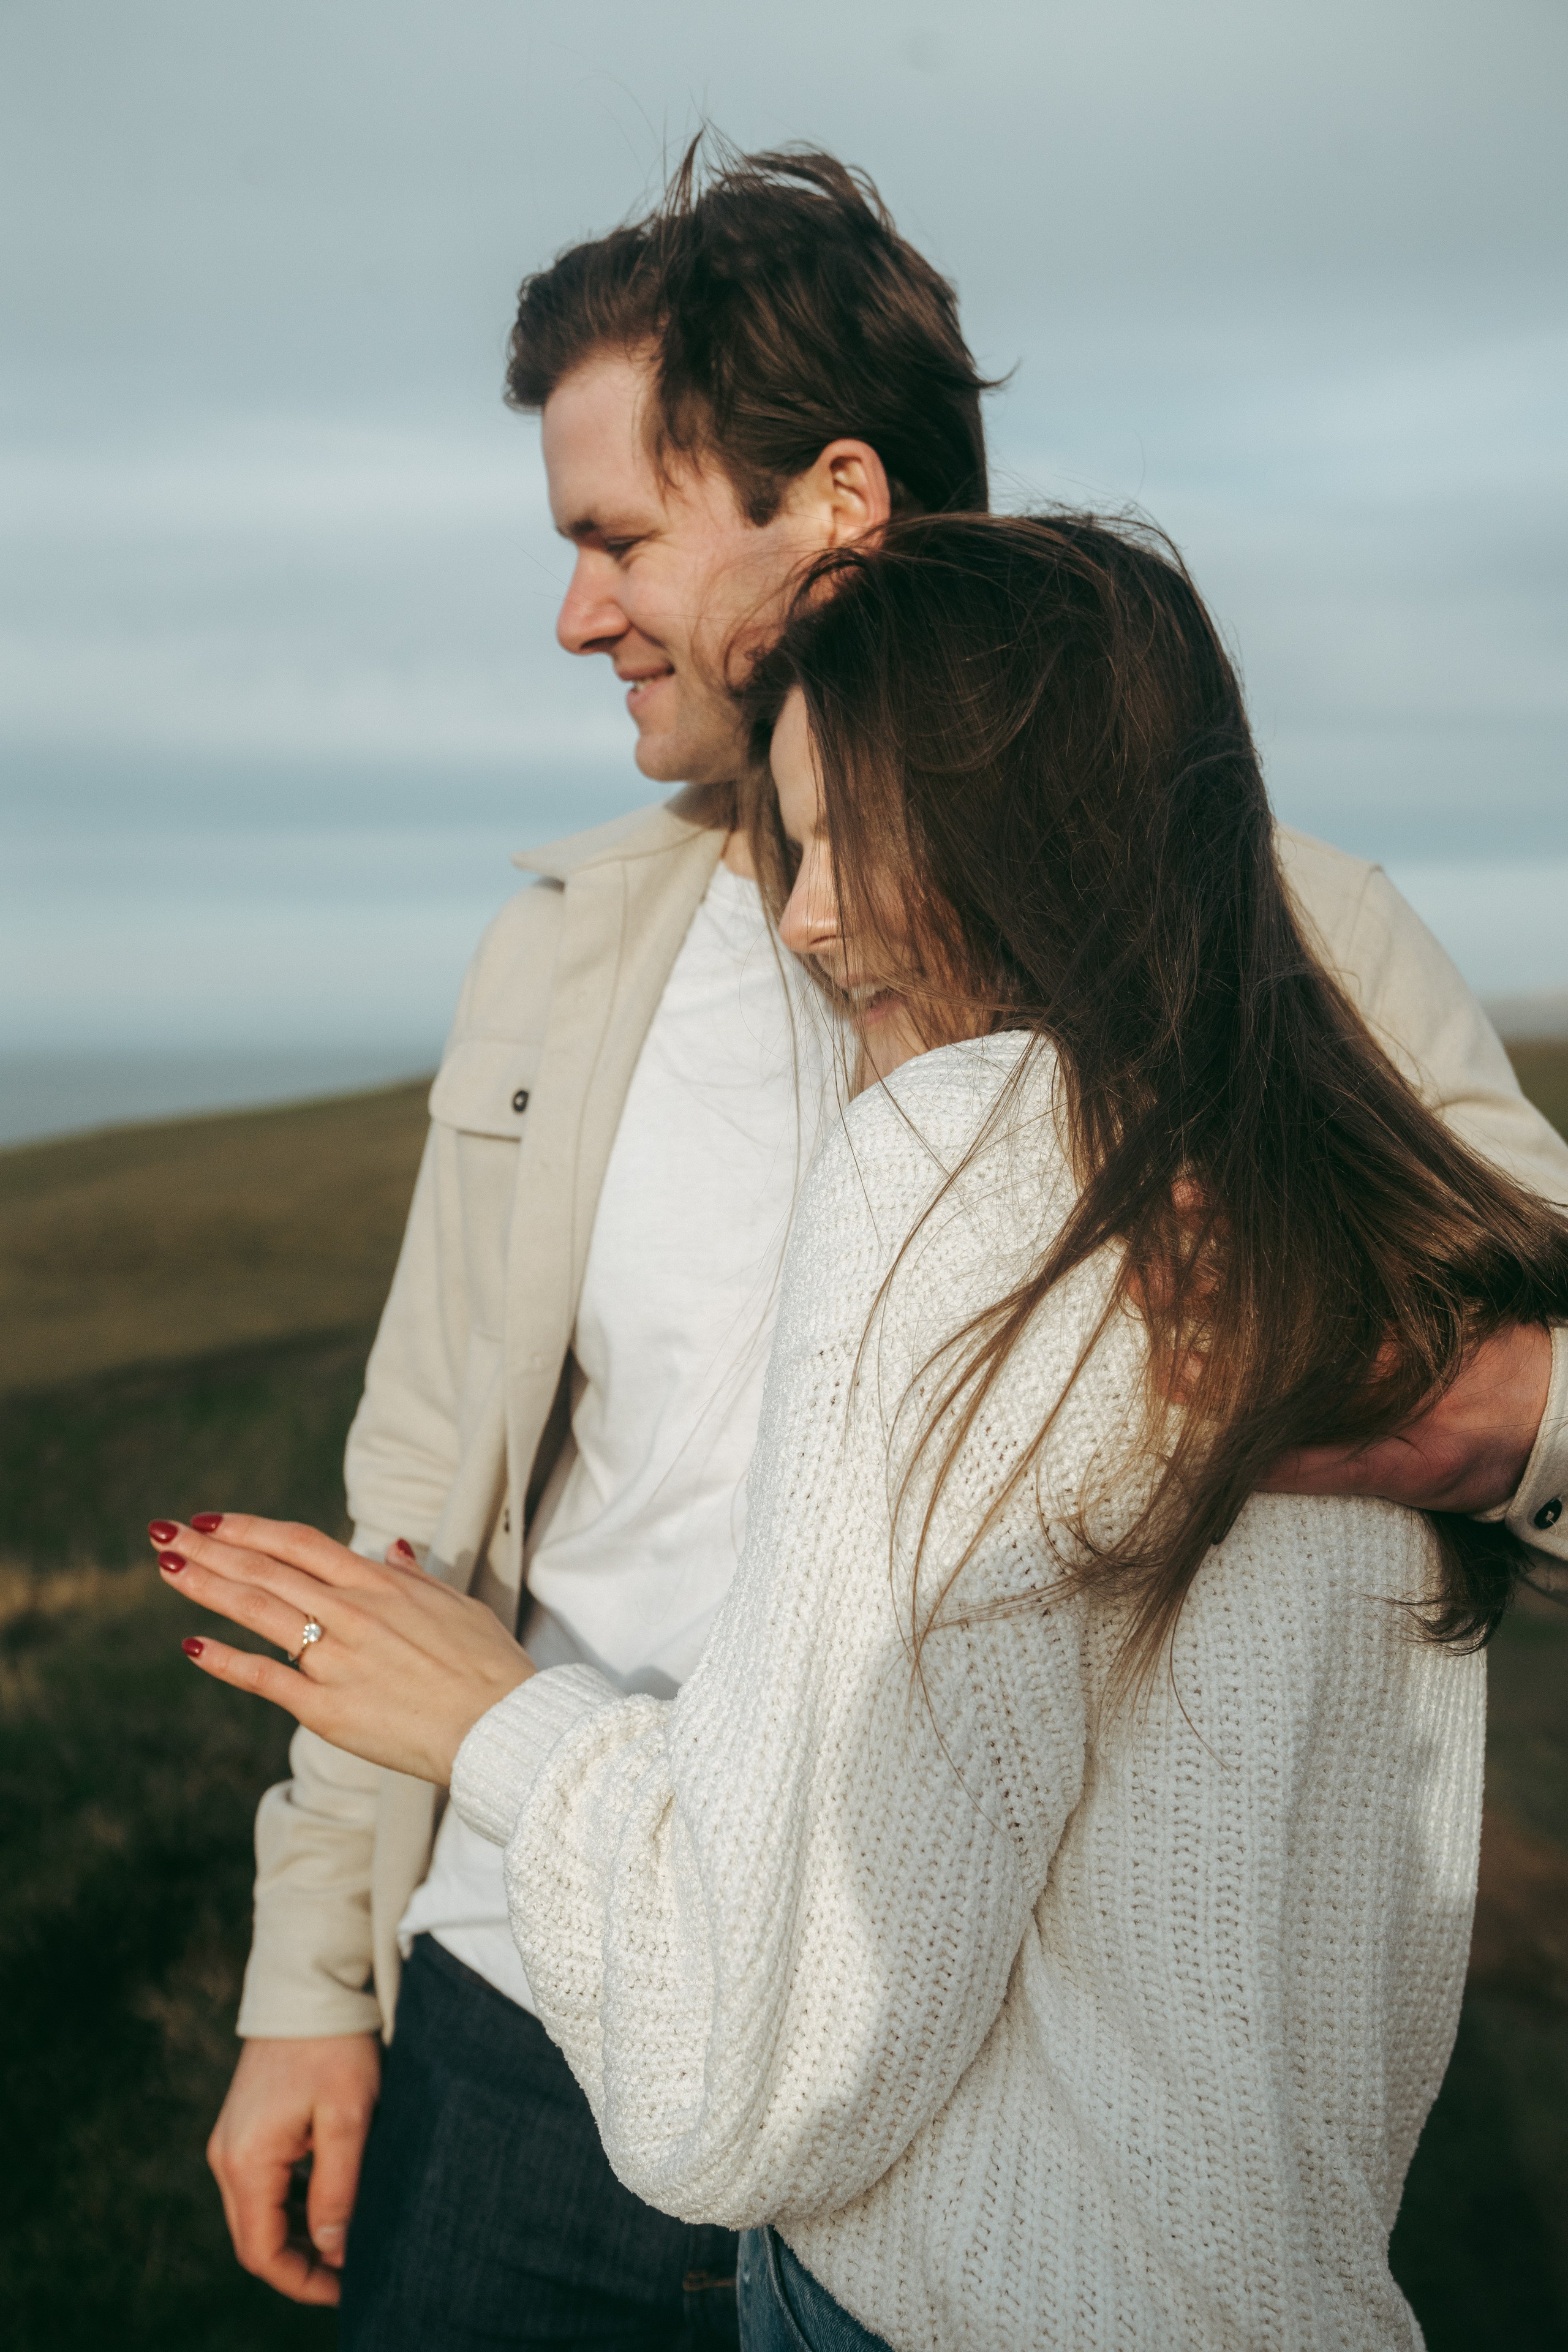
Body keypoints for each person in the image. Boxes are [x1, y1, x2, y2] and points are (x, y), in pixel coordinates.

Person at [195, 146, 1568, 2348]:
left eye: (616, 539)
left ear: (838, 506)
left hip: (982, 2115)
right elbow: (425, 1496)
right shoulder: (564, 952)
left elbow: (1525, 1372)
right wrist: (311, 1987)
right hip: (524, 2008)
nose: (575, 617)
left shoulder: (1281, 939)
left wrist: (1438, 1418)